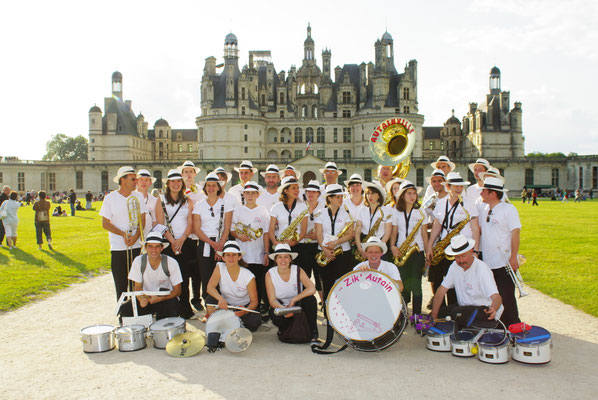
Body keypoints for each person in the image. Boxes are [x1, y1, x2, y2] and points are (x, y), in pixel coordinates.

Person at [425, 172, 480, 307]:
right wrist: (430, 246)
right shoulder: (441, 203)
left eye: (460, 186)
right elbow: (437, 225)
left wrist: (476, 251)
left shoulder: (469, 204)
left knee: (455, 280)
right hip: (444, 245)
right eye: (455, 186)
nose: (459, 189)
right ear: (448, 187)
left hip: (462, 246)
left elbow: (475, 229)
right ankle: (440, 308)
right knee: (436, 277)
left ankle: (454, 309)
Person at [430, 235, 503, 332]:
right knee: (439, 312)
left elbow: (496, 297)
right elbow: (441, 291)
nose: (461, 261)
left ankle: (459, 330)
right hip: (464, 308)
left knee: (456, 312)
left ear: (471, 251)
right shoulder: (454, 266)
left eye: (463, 256)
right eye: (457, 257)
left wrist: (494, 309)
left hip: (484, 309)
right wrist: (433, 316)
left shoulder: (482, 268)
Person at [479, 176, 522, 327]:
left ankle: (514, 325)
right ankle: (498, 325)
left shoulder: (508, 209)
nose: (481, 193)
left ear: (492, 194)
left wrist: (514, 257)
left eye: (484, 191)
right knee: (492, 296)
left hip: (503, 261)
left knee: (507, 296)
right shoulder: (484, 208)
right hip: (488, 262)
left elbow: (515, 232)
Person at [99, 166, 147, 301]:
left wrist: (136, 236)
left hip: (136, 246)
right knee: (121, 284)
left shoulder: (138, 196)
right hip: (118, 247)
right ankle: (123, 314)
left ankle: (137, 313)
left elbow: (142, 220)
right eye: (133, 179)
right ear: (122, 180)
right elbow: (105, 223)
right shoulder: (110, 198)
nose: (136, 182)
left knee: (137, 283)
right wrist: (123, 234)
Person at [154, 169, 196, 319]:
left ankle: (185, 309)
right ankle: (170, 309)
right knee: (168, 277)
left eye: (179, 181)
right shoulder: (160, 200)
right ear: (168, 184)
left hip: (185, 243)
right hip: (168, 243)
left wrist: (182, 239)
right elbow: (160, 224)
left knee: (184, 278)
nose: (176, 184)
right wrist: (173, 241)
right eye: (173, 181)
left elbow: (191, 222)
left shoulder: (188, 200)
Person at [119, 232, 183, 320]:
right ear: (145, 247)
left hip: (165, 299)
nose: (154, 250)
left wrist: (160, 299)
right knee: (125, 309)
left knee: (174, 306)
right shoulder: (138, 261)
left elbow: (177, 291)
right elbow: (137, 286)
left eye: (157, 246)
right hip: (146, 298)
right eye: (150, 246)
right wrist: (141, 298)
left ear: (162, 248)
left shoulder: (171, 262)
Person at [193, 172, 233, 306]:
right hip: (205, 243)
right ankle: (209, 305)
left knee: (222, 276)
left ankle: (222, 303)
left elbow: (227, 227)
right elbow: (197, 229)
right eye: (208, 186)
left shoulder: (226, 204)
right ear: (205, 188)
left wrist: (220, 246)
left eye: (213, 185)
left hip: (221, 243)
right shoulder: (199, 205)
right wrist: (212, 244)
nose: (211, 188)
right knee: (206, 275)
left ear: (218, 187)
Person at [231, 181, 270, 316]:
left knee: (258, 283)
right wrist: (239, 235)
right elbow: (232, 230)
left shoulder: (263, 211)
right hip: (242, 254)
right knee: (243, 283)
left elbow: (265, 233)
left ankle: (256, 310)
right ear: (243, 195)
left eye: (253, 193)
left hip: (258, 254)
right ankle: (243, 310)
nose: (250, 196)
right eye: (247, 193)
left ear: (257, 195)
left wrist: (266, 252)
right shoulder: (238, 211)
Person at [265, 243, 319, 343]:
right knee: (273, 313)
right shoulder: (270, 274)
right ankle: (285, 330)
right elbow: (272, 300)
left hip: (298, 305)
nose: (283, 260)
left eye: (286, 257)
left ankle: (313, 332)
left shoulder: (297, 270)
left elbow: (312, 289)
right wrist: (285, 310)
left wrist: (294, 299)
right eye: (280, 257)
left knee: (311, 300)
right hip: (282, 306)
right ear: (275, 260)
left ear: (290, 259)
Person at [205, 240, 262, 331]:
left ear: (239, 257)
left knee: (254, 322)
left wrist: (244, 311)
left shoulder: (248, 276)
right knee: (209, 300)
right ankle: (217, 323)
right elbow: (210, 287)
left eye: (234, 254)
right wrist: (220, 298)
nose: (231, 258)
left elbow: (254, 302)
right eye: (227, 255)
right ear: (223, 258)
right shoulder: (219, 267)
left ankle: (231, 321)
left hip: (243, 307)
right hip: (226, 305)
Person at [390, 181, 425, 315]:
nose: (412, 196)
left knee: (417, 286)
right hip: (401, 251)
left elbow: (424, 234)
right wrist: (393, 246)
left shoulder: (421, 212)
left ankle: (416, 316)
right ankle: (403, 314)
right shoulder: (397, 212)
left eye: (414, 193)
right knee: (402, 285)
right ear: (403, 196)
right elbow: (394, 232)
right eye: (409, 193)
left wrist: (427, 251)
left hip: (417, 251)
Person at [315, 184, 354, 301]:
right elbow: (319, 234)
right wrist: (325, 250)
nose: (341, 200)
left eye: (341, 197)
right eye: (337, 197)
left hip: (343, 253)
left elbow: (350, 234)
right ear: (330, 198)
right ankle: (328, 313)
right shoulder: (320, 213)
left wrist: (336, 242)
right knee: (326, 284)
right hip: (325, 252)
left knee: (343, 285)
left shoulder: (346, 213)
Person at [295, 180, 325, 303]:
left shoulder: (324, 207)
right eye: (308, 191)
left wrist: (318, 236)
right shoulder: (300, 206)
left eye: (314, 191)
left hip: (318, 246)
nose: (311, 194)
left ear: (318, 193)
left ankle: (324, 304)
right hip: (302, 246)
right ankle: (304, 304)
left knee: (320, 278)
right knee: (304, 277)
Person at [354, 182, 392, 262]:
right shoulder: (362, 210)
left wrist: (378, 249)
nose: (370, 196)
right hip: (364, 243)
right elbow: (357, 232)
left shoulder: (387, 210)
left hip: (380, 243)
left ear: (379, 195)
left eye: (373, 193)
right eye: (368, 193)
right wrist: (360, 248)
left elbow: (388, 233)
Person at [269, 176, 308, 251]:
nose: (297, 191)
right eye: (293, 188)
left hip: (299, 245)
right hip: (281, 244)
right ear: (286, 191)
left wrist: (294, 242)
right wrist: (275, 242)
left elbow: (303, 231)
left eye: (297, 188)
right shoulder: (276, 207)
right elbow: (271, 230)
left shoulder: (303, 206)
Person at [135, 169, 158, 239]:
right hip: (133, 240)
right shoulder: (129, 198)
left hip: (149, 240)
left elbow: (155, 222)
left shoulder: (155, 201)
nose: (143, 182)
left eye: (146, 180)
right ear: (136, 182)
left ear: (150, 183)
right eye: (141, 179)